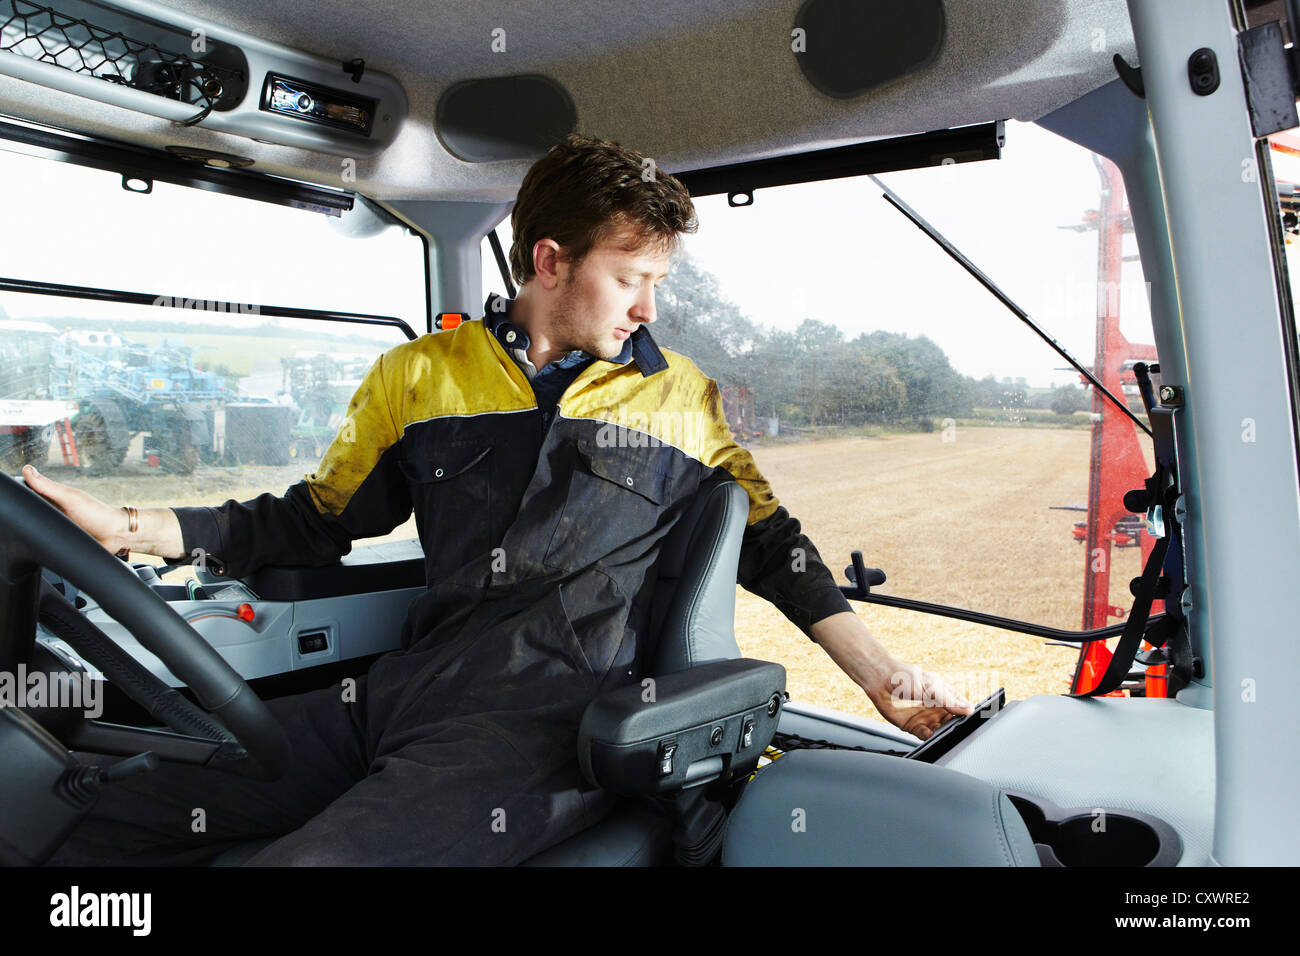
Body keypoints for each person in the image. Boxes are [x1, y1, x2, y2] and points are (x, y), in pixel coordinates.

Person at [27, 133, 970, 866]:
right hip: (398, 693)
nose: (649, 308)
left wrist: (883, 677)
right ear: (550, 261)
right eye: (632, 279)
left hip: (551, 722)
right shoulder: (419, 376)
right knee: (120, 810)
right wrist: (135, 526)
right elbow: (313, 521)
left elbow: (774, 543)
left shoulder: (680, 394)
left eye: (658, 283)